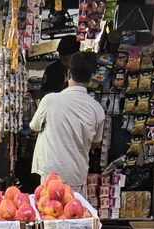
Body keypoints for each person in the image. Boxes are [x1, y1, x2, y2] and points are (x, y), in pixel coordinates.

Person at [30, 52, 105, 193]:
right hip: (76, 175)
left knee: (49, 210)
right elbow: (96, 143)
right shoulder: (97, 109)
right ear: (91, 78)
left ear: (68, 73)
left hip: (50, 174)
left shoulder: (50, 100)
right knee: (75, 212)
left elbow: (34, 126)